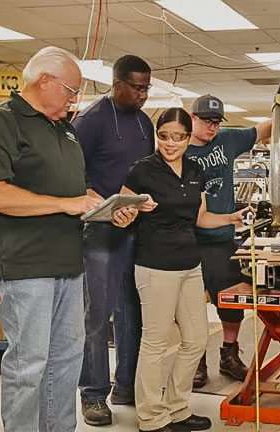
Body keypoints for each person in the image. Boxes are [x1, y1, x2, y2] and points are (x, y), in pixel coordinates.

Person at [0, 46, 138, 432]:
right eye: (70, 90)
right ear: (44, 80)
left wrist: (108, 207)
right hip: (27, 267)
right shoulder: (1, 122)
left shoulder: (64, 129)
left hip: (69, 264)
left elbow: (78, 192)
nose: (74, 99)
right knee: (29, 365)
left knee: (65, 360)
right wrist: (67, 203)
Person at [122, 108, 250, 432]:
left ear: (186, 135)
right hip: (155, 266)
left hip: (189, 265)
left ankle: (177, 408)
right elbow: (120, 213)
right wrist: (131, 211)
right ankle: (151, 417)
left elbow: (199, 218)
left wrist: (229, 218)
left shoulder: (195, 170)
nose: (170, 143)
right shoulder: (142, 171)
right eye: (164, 135)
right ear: (157, 135)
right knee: (154, 343)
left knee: (194, 340)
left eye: (177, 136)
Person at [186, 94, 280, 387]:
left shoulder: (227, 139)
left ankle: (228, 355)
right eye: (205, 121)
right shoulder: (177, 148)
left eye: (215, 122)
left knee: (231, 301)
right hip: (187, 240)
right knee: (190, 305)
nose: (211, 127)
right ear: (191, 118)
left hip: (222, 238)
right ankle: (196, 360)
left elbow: (260, 130)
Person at [72, 54, 155, 426]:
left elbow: (147, 172)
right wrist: (98, 203)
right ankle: (92, 394)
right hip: (99, 232)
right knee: (97, 314)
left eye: (147, 88)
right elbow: (75, 177)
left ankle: (126, 383)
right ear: (117, 83)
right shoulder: (89, 121)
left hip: (133, 227)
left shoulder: (144, 123)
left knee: (130, 311)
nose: (143, 95)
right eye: (137, 88)